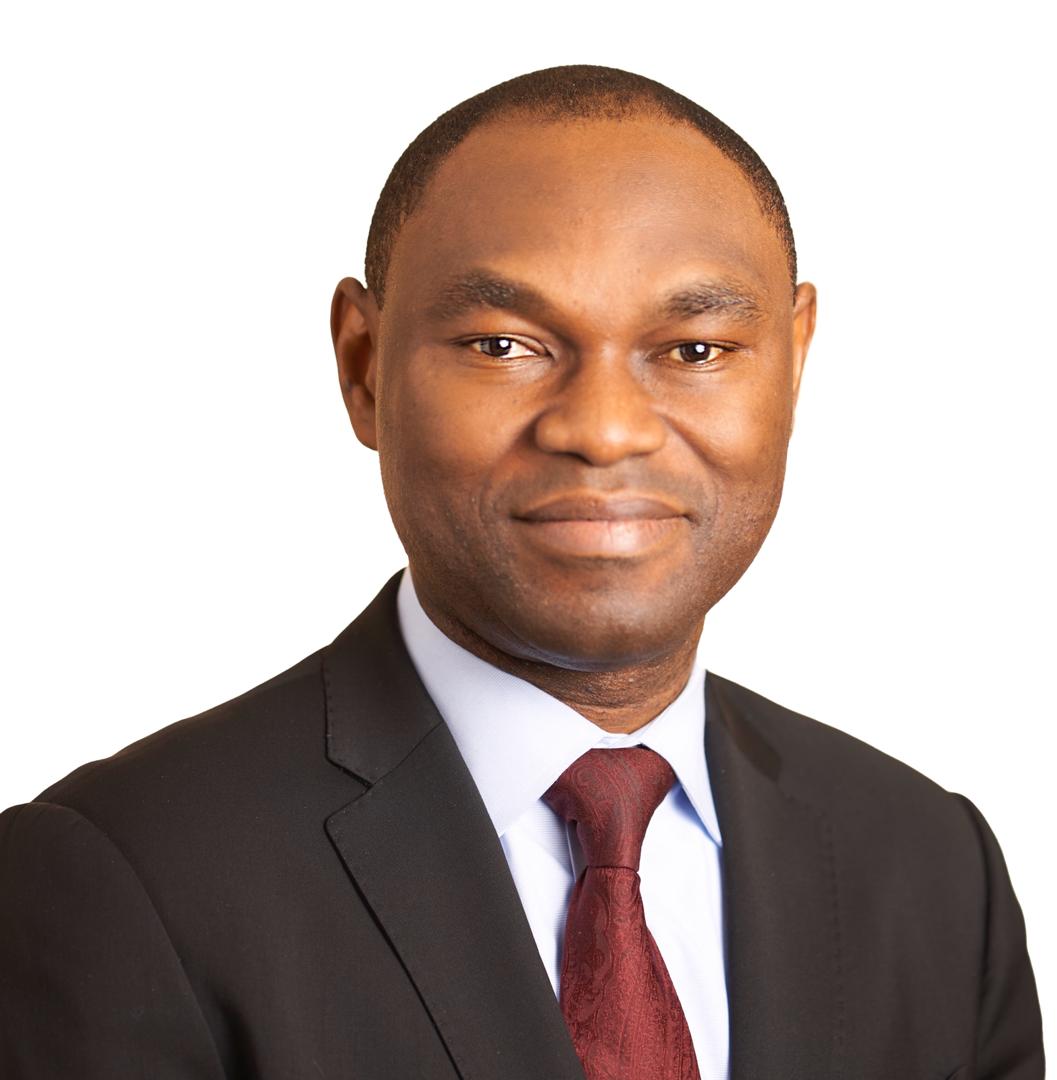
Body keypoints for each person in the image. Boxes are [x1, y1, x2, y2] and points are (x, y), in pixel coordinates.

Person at [0, 64, 1044, 1080]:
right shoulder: (120, 877)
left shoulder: (933, 867)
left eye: (694, 349)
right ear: (363, 367)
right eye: (502, 345)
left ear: (795, 359)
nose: (603, 429)